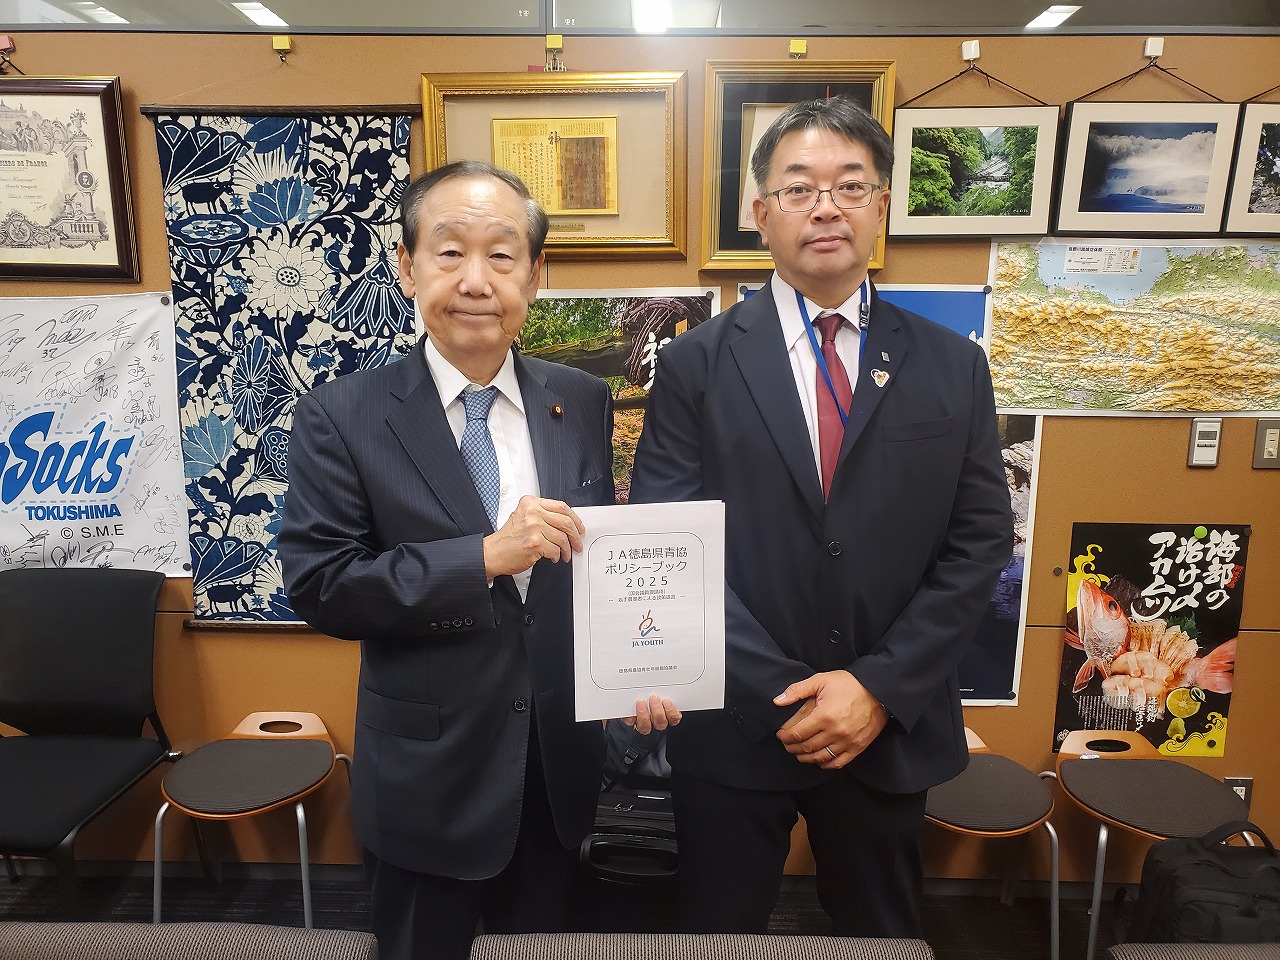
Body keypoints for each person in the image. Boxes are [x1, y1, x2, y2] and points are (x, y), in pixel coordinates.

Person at [628, 97, 1013, 938]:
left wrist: (877, 687)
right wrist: (782, 694)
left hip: (886, 724)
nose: (826, 207)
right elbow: (666, 543)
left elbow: (980, 540)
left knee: (880, 936)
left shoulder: (952, 366)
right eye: (799, 188)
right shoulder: (696, 364)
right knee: (716, 935)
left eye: (851, 186)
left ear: (883, 206)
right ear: (761, 213)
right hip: (733, 723)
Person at [280, 160, 678, 960]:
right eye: (449, 251)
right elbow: (323, 587)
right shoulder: (342, 414)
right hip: (426, 776)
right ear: (407, 267)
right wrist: (484, 556)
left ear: (534, 273)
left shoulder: (580, 400)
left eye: (501, 255)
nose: (475, 280)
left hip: (555, 771)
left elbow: (592, 566)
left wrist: (639, 667)